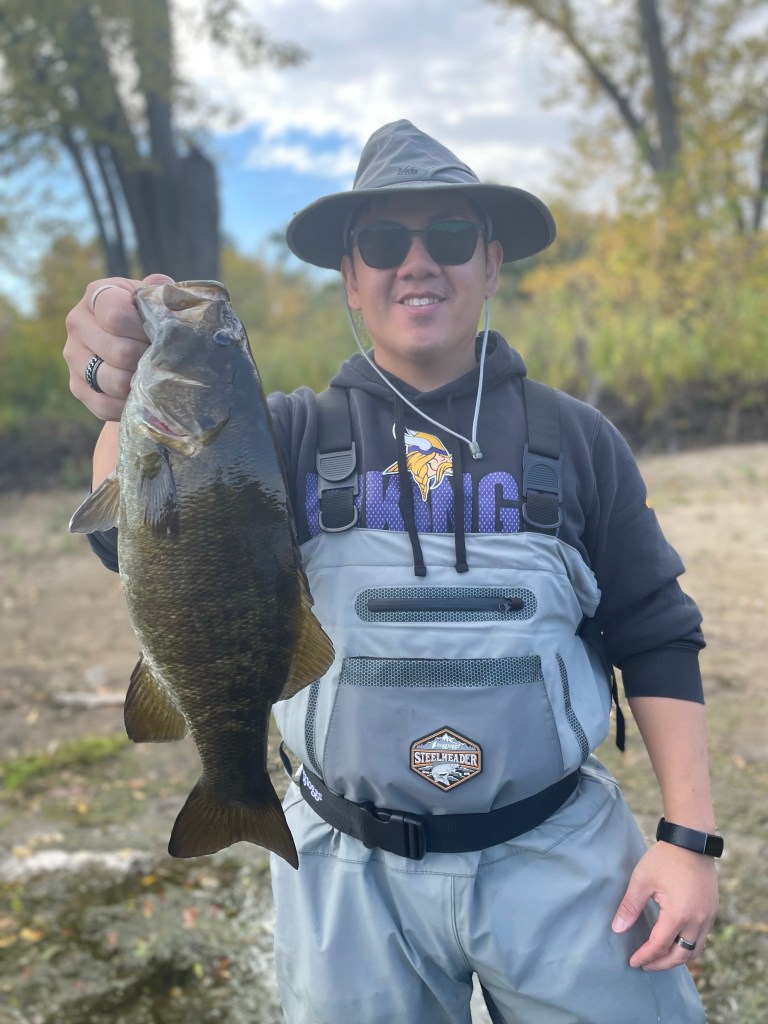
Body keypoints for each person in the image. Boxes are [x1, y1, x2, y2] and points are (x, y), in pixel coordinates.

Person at [64, 120, 721, 1024]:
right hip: (347, 869)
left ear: (491, 264)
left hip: (562, 855)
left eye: (449, 236)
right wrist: (115, 380)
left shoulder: (579, 439)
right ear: (350, 278)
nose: (417, 263)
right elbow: (130, 536)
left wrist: (689, 838)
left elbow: (655, 630)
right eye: (382, 242)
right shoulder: (280, 434)